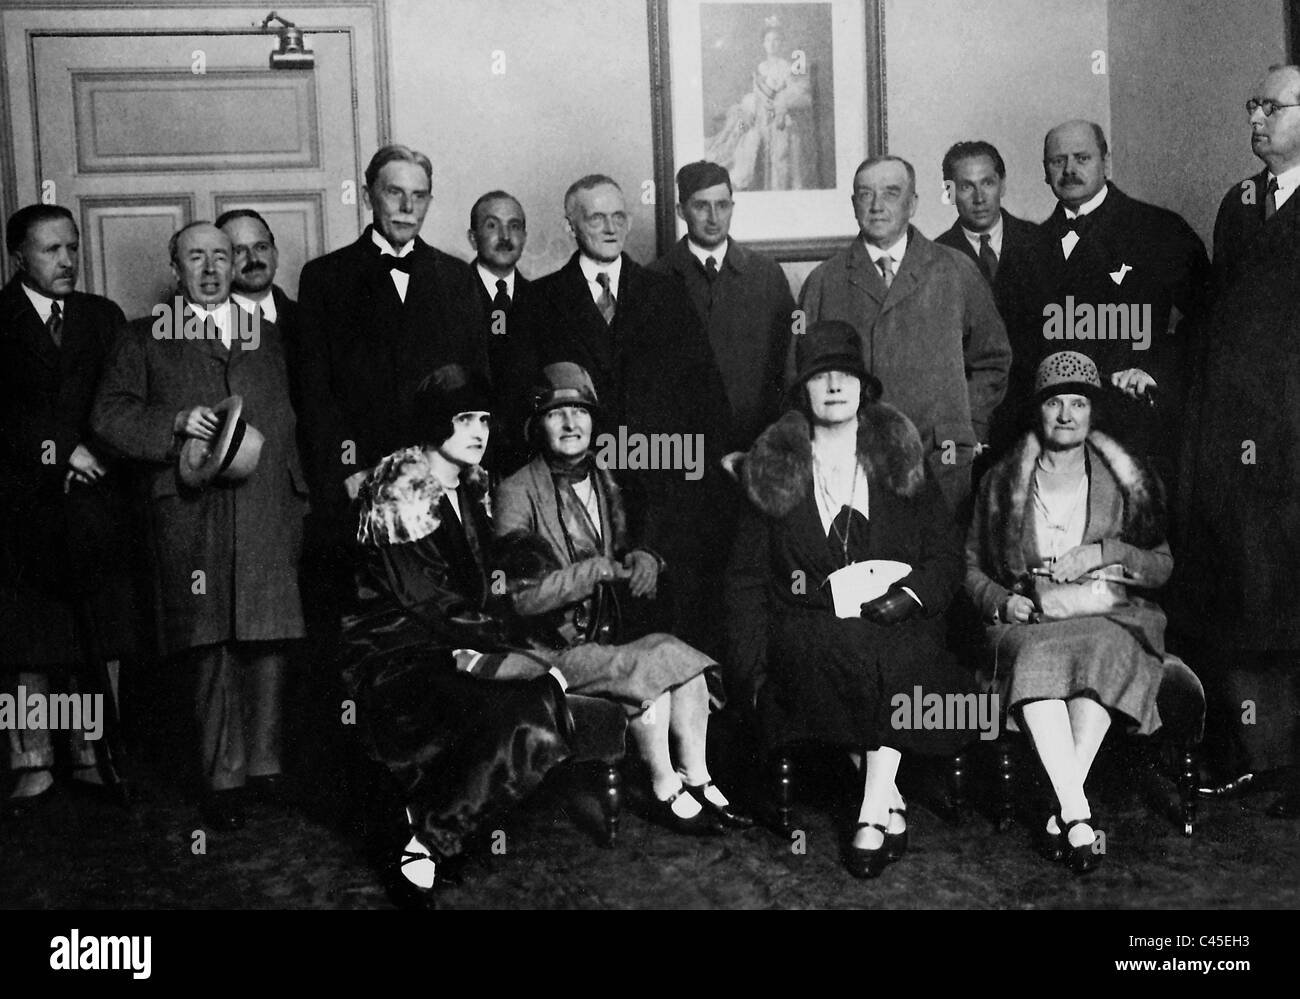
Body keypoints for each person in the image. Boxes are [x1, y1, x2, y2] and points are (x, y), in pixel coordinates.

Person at [342, 365, 732, 896]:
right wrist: (509, 649)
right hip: (398, 654)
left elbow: (486, 593)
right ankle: (429, 836)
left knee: (539, 700)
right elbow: (428, 601)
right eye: (463, 419)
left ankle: (431, 830)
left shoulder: (467, 487)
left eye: (482, 419)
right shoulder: (400, 493)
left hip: (458, 641)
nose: (478, 431)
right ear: (436, 425)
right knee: (531, 703)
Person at [726, 320, 976, 878]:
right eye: (820, 376)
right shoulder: (775, 466)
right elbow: (745, 580)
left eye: (846, 375)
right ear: (803, 391)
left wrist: (910, 597)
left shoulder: (901, 462)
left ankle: (870, 808)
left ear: (864, 387)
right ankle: (884, 801)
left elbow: (945, 557)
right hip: (809, 625)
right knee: (852, 652)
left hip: (898, 622)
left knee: (902, 652)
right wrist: (750, 669)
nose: (835, 384)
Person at [93, 221, 307, 831]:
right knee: (211, 643)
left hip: (268, 504)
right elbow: (108, 415)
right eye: (197, 257)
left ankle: (266, 770)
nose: (212, 268)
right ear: (175, 267)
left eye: (223, 256)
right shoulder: (143, 337)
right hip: (192, 509)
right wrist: (175, 424)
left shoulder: (268, 335)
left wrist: (304, 494)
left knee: (267, 637)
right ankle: (225, 779)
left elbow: (299, 413)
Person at [965, 351, 1198, 875]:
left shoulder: (1124, 481)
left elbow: (1160, 568)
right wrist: (1002, 601)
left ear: (1093, 412)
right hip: (1031, 622)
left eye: (1078, 403)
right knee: (1036, 653)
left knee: (1108, 646)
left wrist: (1103, 553)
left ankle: (1068, 811)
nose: (1066, 414)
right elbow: (972, 571)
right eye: (1054, 403)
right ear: (1037, 411)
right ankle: (1075, 812)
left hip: (1106, 615)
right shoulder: (1002, 482)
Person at [493, 362, 750, 832]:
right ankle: (663, 785)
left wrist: (648, 556)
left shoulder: (612, 477)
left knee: (685, 666)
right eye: (556, 414)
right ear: (537, 425)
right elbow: (521, 599)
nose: (571, 424)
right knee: (647, 669)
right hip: (550, 648)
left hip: (608, 633)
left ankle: (699, 777)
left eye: (580, 412)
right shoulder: (516, 491)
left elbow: (641, 542)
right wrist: (594, 571)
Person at [513, 173, 730, 657]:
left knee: (666, 633)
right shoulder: (540, 301)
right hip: (579, 492)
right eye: (595, 217)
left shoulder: (666, 294)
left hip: (664, 483)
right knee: (591, 631)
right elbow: (524, 405)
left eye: (618, 216)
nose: (610, 227)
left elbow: (703, 398)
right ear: (571, 225)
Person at [1173, 64, 1300, 818]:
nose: (1256, 118)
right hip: (1235, 437)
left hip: (1295, 439)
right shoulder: (1239, 204)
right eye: (1251, 104)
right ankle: (1256, 755)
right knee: (1244, 595)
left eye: (1272, 106)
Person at [0, 204, 137, 817]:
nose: (67, 261)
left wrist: (102, 451)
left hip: (97, 501)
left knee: (98, 631)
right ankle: (32, 762)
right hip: (22, 508)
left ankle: (93, 753)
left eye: (72, 248)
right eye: (52, 250)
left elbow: (123, 395)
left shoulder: (102, 317)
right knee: (27, 641)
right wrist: (59, 453)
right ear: (18, 256)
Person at [797, 155, 1011, 517]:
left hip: (941, 458)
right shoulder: (823, 282)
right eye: (865, 195)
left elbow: (994, 358)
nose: (877, 206)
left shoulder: (955, 270)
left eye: (891, 193)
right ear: (853, 205)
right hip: (854, 462)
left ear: (912, 203)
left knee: (940, 564)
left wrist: (961, 422)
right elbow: (796, 376)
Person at [295, 144, 485, 519]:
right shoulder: (325, 278)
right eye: (394, 192)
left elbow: (475, 380)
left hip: (443, 476)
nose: (407, 208)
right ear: (368, 197)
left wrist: (467, 462)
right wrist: (346, 467)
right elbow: (313, 391)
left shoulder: (457, 276)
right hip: (362, 479)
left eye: (419, 196)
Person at [1038, 120, 1210, 494]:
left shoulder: (1160, 230)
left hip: (1135, 430)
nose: (1069, 170)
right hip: (1055, 440)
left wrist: (1154, 370)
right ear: (1044, 171)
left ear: (1106, 162)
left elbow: (1210, 320)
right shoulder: (1028, 246)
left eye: (1082, 158)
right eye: (1057, 161)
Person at [649, 160, 795, 450]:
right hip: (686, 449)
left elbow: (795, 338)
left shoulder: (767, 274)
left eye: (723, 205)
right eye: (701, 206)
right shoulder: (653, 279)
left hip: (759, 441)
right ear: (681, 211)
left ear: (732, 207)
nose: (714, 217)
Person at [935, 141, 1053, 457]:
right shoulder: (934, 261)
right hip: (971, 417)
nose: (979, 197)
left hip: (1038, 410)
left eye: (987, 182)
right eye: (965, 186)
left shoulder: (1044, 244)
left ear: (1002, 184)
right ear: (949, 193)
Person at [704, 15, 815, 191]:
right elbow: (756, 96)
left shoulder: (787, 67)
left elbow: (796, 95)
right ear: (763, 44)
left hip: (778, 118)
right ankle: (728, 156)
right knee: (742, 132)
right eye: (768, 40)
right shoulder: (760, 68)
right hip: (758, 116)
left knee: (773, 143)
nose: (772, 44)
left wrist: (780, 104)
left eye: (776, 40)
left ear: (781, 43)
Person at [466, 189, 531, 473]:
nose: (505, 236)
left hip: (528, 460)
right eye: (492, 225)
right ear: (472, 237)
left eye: (514, 226)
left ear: (524, 237)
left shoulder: (544, 301)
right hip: (465, 462)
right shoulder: (449, 298)